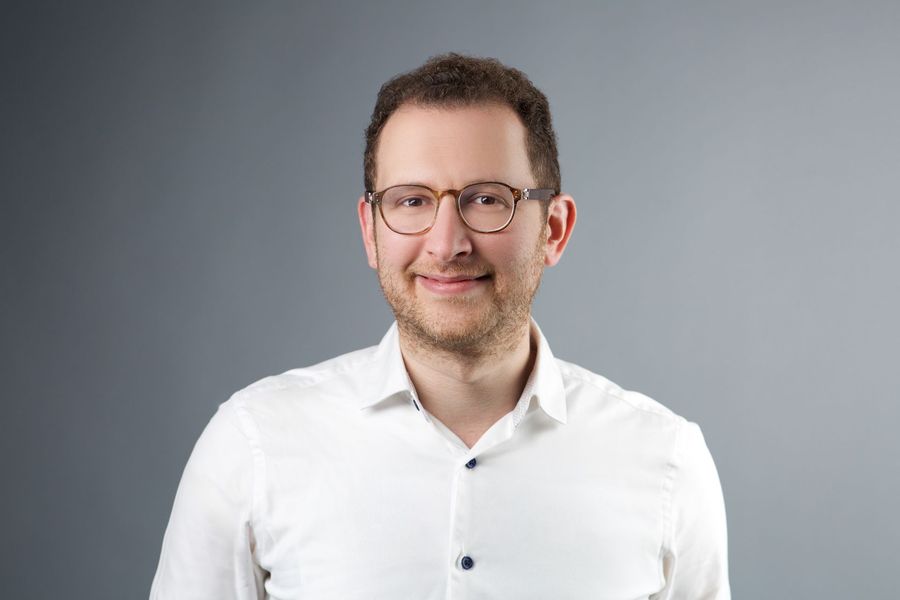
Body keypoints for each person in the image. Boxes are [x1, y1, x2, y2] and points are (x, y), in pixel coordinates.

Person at [150, 53, 730, 599]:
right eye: (411, 201)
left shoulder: (667, 462)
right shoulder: (252, 445)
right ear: (370, 230)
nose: (447, 243)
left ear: (553, 229)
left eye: (485, 199)